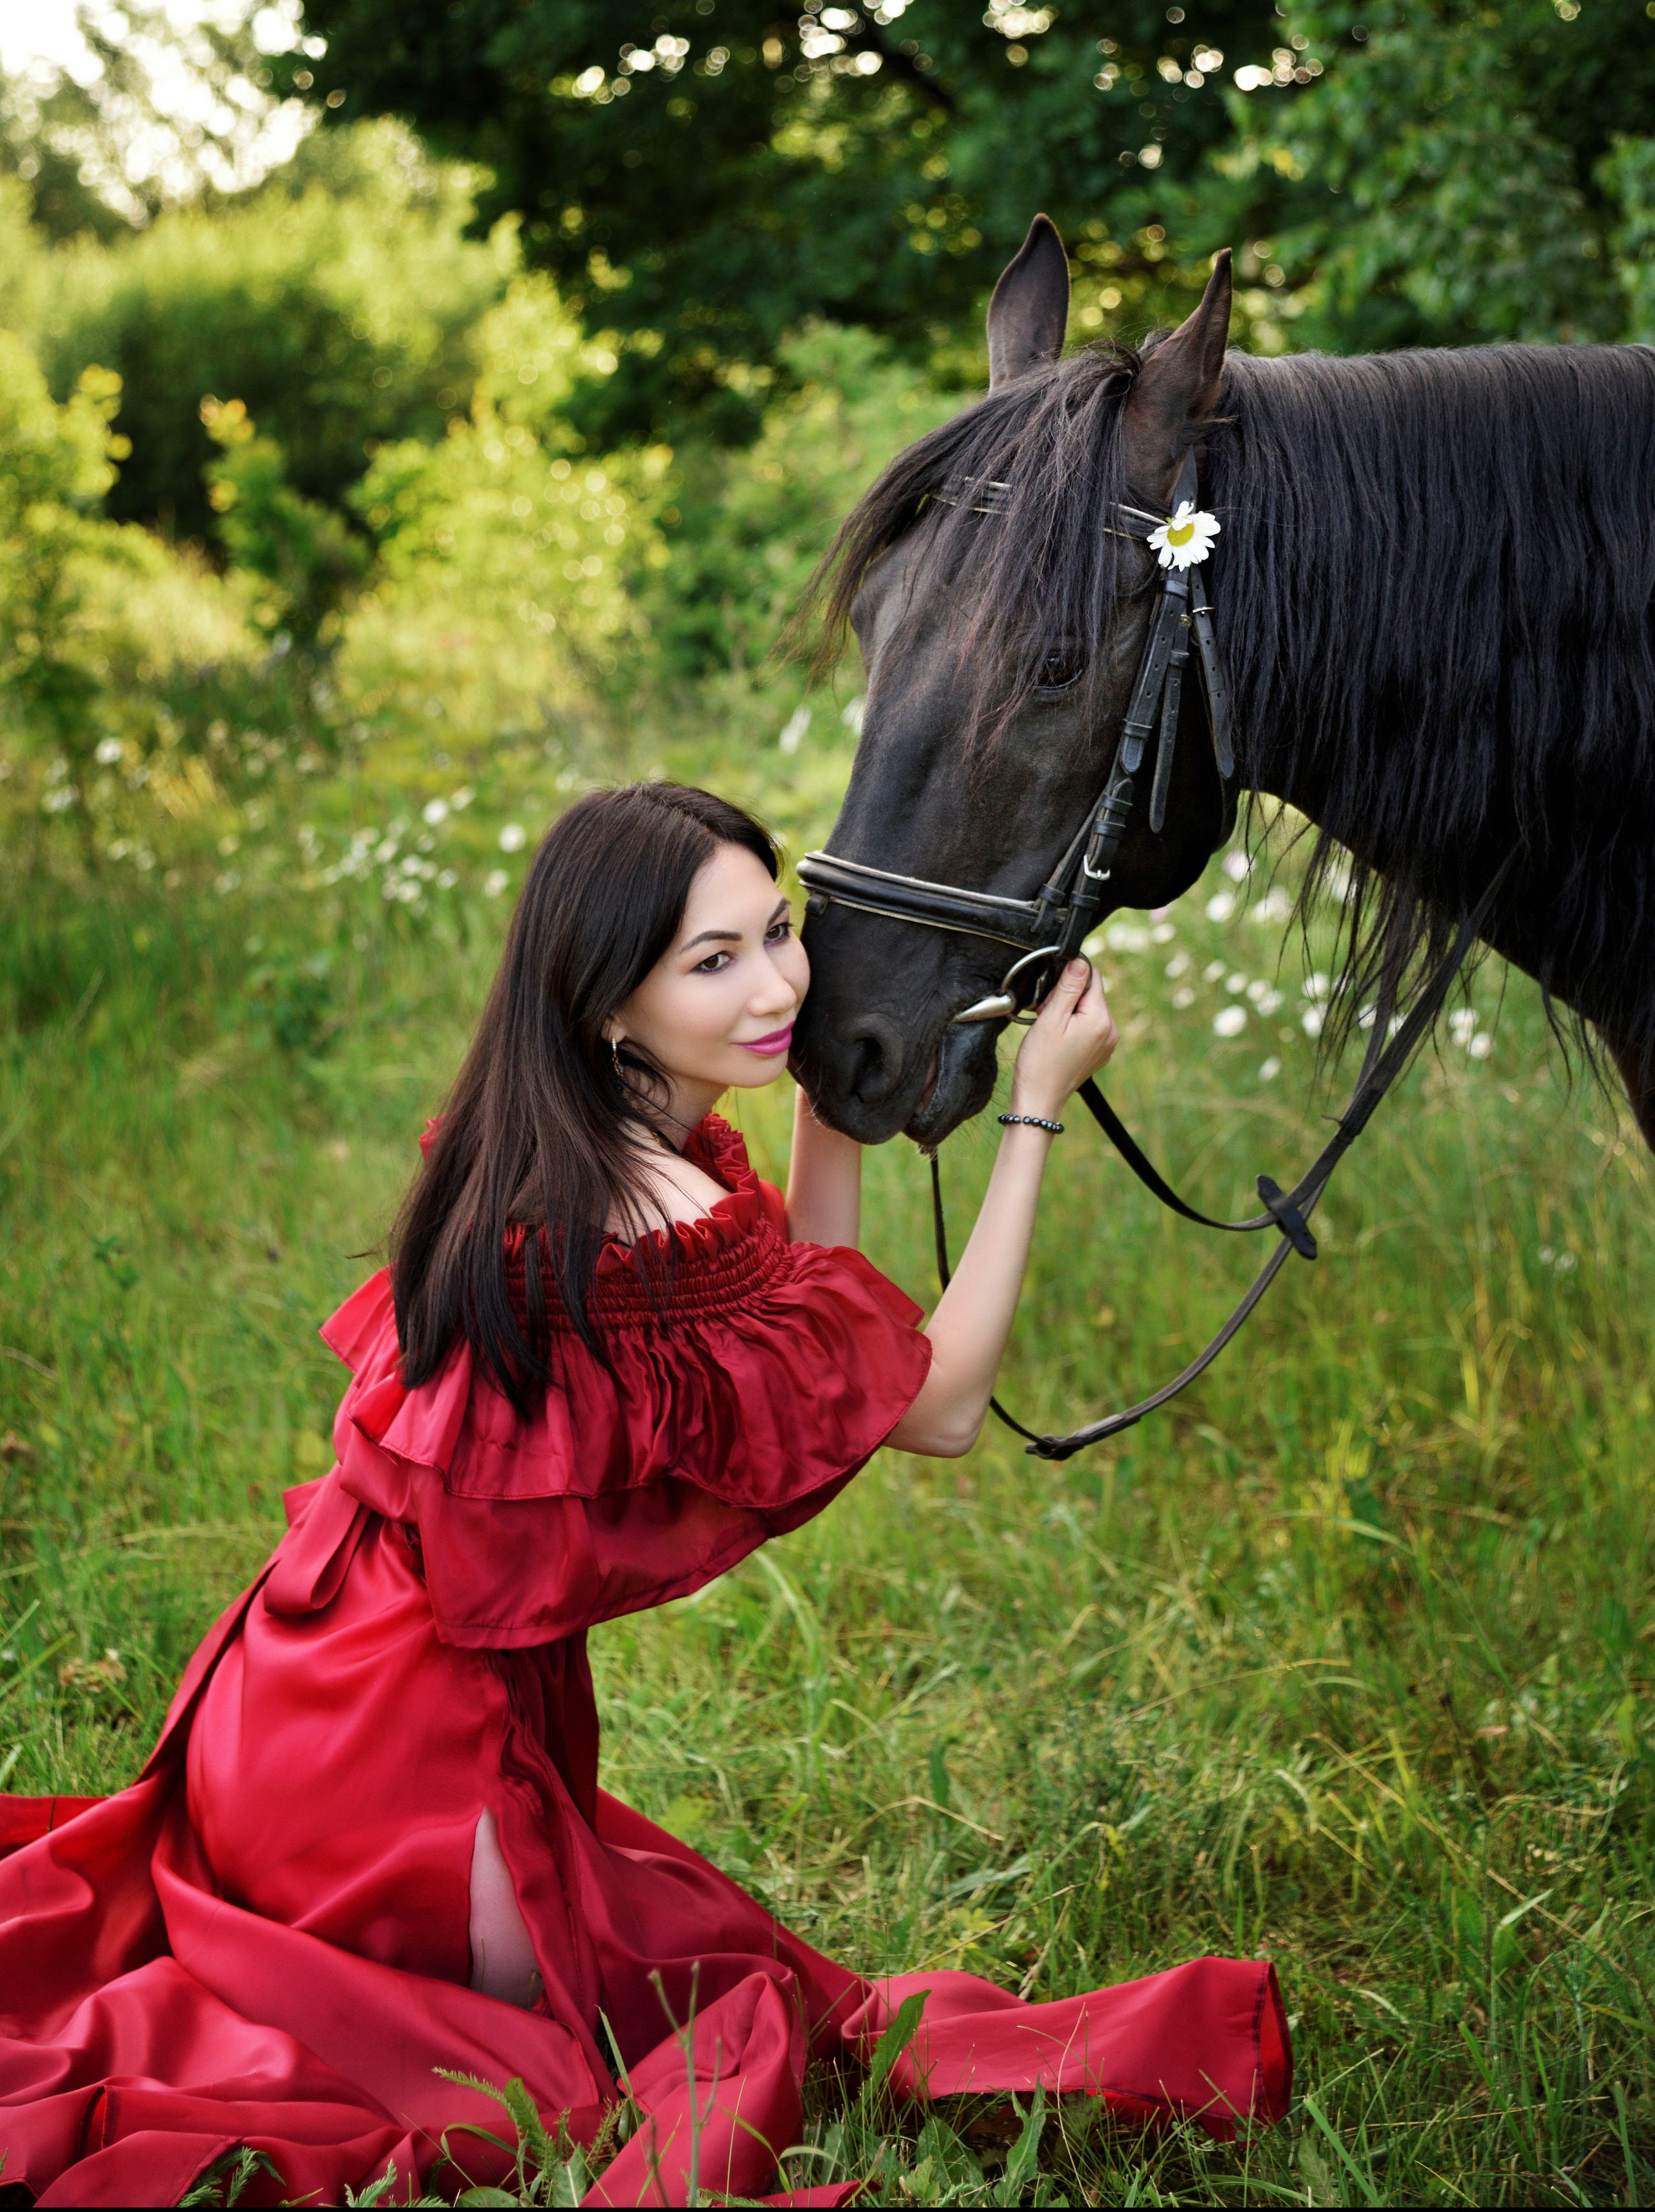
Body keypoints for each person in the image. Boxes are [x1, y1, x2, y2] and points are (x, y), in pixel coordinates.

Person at [0, 784, 1290, 2207]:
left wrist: (834, 1097)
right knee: (540, 2096)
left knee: (675, 1968)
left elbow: (817, 1304)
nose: (775, 984)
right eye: (712, 961)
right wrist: (1033, 1116)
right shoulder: (648, 1217)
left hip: (288, 1698)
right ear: (612, 1004)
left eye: (777, 935)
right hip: (404, 1783)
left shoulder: (553, 1124)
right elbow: (936, 1405)